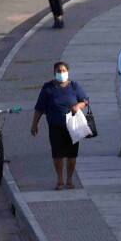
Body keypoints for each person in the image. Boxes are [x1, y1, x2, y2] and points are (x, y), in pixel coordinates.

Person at [30, 61, 88, 190]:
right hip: (55, 126)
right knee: (57, 154)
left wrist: (78, 106)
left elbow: (85, 100)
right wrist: (34, 124)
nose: (61, 73)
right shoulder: (48, 88)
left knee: (72, 155)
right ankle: (60, 180)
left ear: (67, 71)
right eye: (58, 71)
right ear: (54, 73)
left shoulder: (74, 86)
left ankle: (69, 180)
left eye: (63, 71)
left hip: (73, 125)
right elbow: (39, 107)